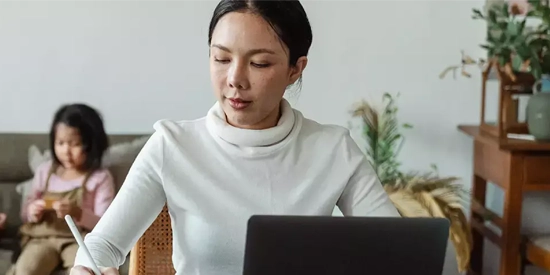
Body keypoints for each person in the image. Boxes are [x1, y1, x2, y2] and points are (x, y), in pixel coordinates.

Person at [71, 0, 400, 274]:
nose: (235, 79)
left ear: (295, 69)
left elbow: (399, 249)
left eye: (259, 63)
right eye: (222, 58)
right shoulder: (173, 145)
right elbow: (104, 245)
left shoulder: (332, 150)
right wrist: (87, 268)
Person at [9, 103, 115, 275]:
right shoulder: (45, 171)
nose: (66, 150)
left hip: (78, 240)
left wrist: (79, 213)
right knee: (25, 270)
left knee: (83, 270)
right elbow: (25, 212)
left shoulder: (100, 178)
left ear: (91, 144)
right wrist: (32, 211)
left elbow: (105, 223)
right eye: (60, 143)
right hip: (42, 239)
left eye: (75, 144)